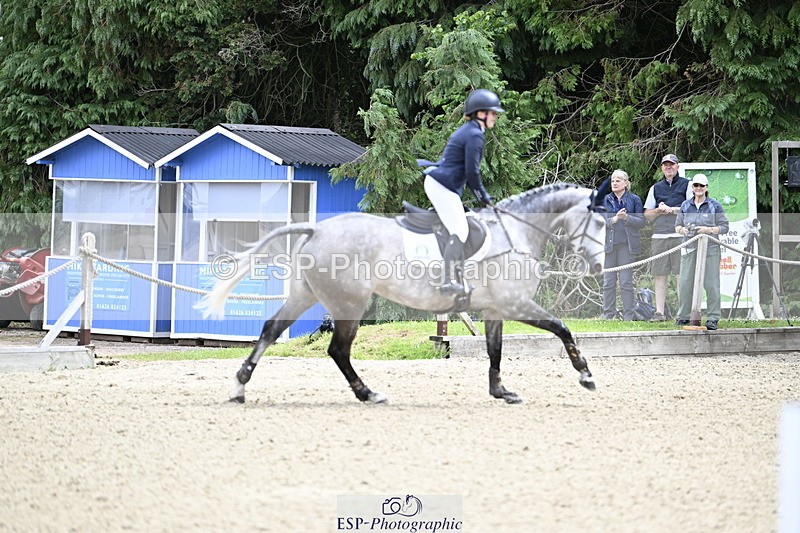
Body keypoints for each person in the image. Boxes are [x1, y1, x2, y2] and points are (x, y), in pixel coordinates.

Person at [424, 89, 502, 295]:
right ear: (481, 114)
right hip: (442, 186)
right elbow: (472, 171)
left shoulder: (469, 130)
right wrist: (482, 196)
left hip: (443, 184)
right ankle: (447, 281)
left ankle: (457, 278)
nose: (495, 117)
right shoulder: (475, 134)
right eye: (492, 113)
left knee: (460, 224)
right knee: (460, 230)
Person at [674, 173, 729, 330]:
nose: (698, 188)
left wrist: (708, 230)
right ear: (692, 188)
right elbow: (677, 226)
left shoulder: (715, 205)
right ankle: (683, 315)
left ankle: (713, 317)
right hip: (689, 247)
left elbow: (725, 227)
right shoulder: (685, 205)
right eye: (696, 185)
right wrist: (684, 230)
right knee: (685, 282)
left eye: (701, 186)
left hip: (710, 248)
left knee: (711, 283)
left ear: (706, 188)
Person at [643, 153, 691, 321]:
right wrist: (659, 210)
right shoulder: (655, 188)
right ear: (662, 168)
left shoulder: (688, 185)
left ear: (678, 166)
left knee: (681, 275)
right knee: (659, 275)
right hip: (659, 236)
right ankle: (660, 313)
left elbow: (693, 209)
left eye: (671, 164)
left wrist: (673, 210)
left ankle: (683, 313)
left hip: (680, 235)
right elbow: (647, 215)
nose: (668, 167)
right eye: (665, 165)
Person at [602, 169, 645, 320]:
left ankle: (628, 315)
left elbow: (641, 222)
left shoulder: (634, 199)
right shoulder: (605, 199)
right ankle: (608, 315)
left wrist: (626, 218)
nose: (614, 183)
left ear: (626, 183)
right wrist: (612, 220)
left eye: (618, 180)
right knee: (608, 282)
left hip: (627, 246)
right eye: (613, 180)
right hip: (609, 246)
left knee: (626, 282)